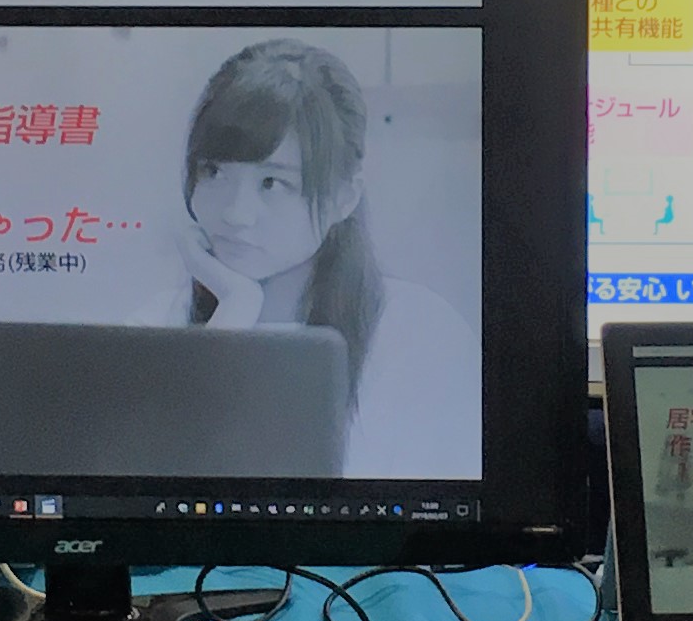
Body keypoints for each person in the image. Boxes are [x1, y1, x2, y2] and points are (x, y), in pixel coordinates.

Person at [171, 38, 473, 477]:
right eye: (214, 171)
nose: (236, 213)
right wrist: (234, 311)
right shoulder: (159, 323)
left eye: (272, 183)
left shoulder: (418, 335)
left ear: (344, 198)